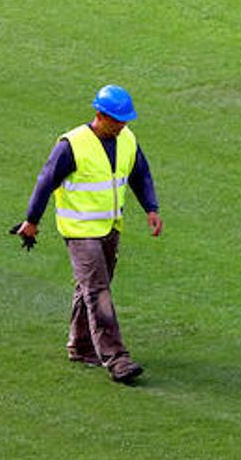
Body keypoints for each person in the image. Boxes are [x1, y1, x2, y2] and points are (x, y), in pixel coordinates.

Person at [16, 84, 163, 384]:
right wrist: (31, 221)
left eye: (125, 121)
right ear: (99, 114)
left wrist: (151, 208)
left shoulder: (127, 140)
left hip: (110, 228)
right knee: (98, 290)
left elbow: (140, 173)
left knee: (92, 287)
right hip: (80, 232)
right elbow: (45, 181)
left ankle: (81, 346)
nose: (122, 126)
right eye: (116, 121)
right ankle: (117, 359)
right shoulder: (71, 145)